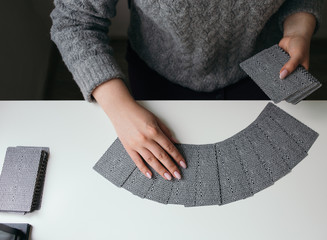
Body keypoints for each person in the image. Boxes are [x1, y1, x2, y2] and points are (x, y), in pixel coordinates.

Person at [50, 0, 323, 181]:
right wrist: (118, 108)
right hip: (157, 76)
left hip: (263, 66)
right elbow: (75, 21)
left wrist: (299, 28)